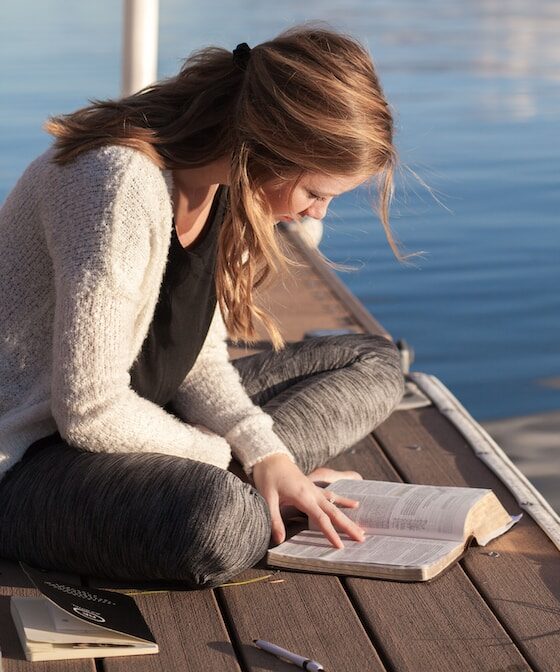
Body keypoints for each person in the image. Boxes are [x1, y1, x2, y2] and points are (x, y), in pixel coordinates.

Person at [0, 26, 410, 589]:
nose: (317, 216)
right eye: (315, 193)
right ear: (263, 146)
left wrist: (266, 454)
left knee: (373, 362)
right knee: (217, 523)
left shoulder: (224, 187)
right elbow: (89, 410)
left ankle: (264, 483)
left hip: (146, 419)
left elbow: (196, 357)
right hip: (29, 457)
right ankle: (246, 491)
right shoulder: (116, 183)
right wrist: (225, 455)